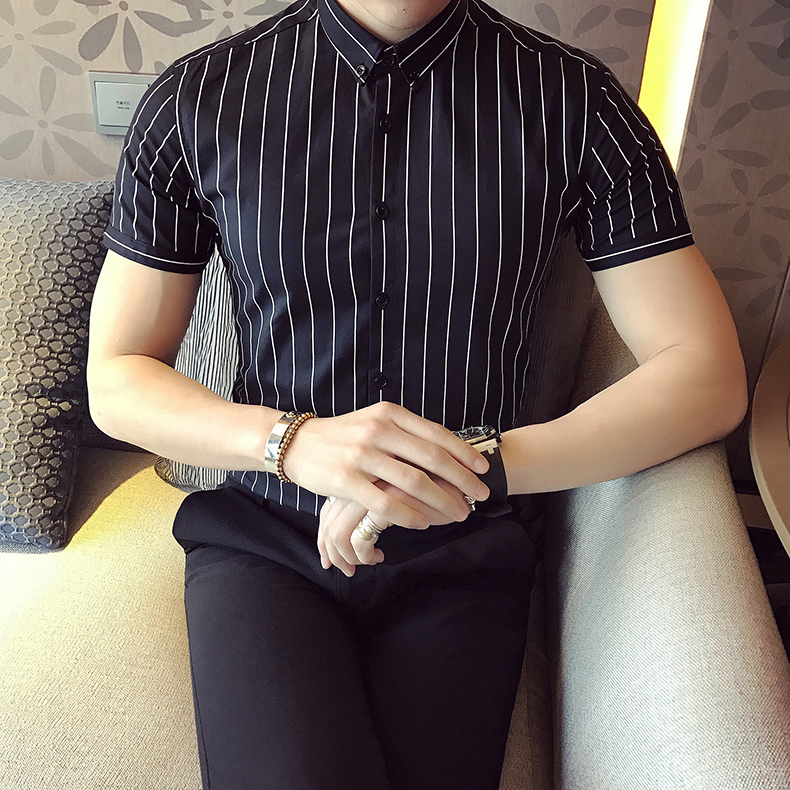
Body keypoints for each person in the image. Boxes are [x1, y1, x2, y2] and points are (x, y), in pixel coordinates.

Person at [86, 0, 748, 787]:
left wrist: (469, 465)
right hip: (267, 539)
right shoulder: (196, 99)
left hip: (465, 546)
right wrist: (293, 444)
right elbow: (118, 377)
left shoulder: (578, 103)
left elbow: (706, 373)